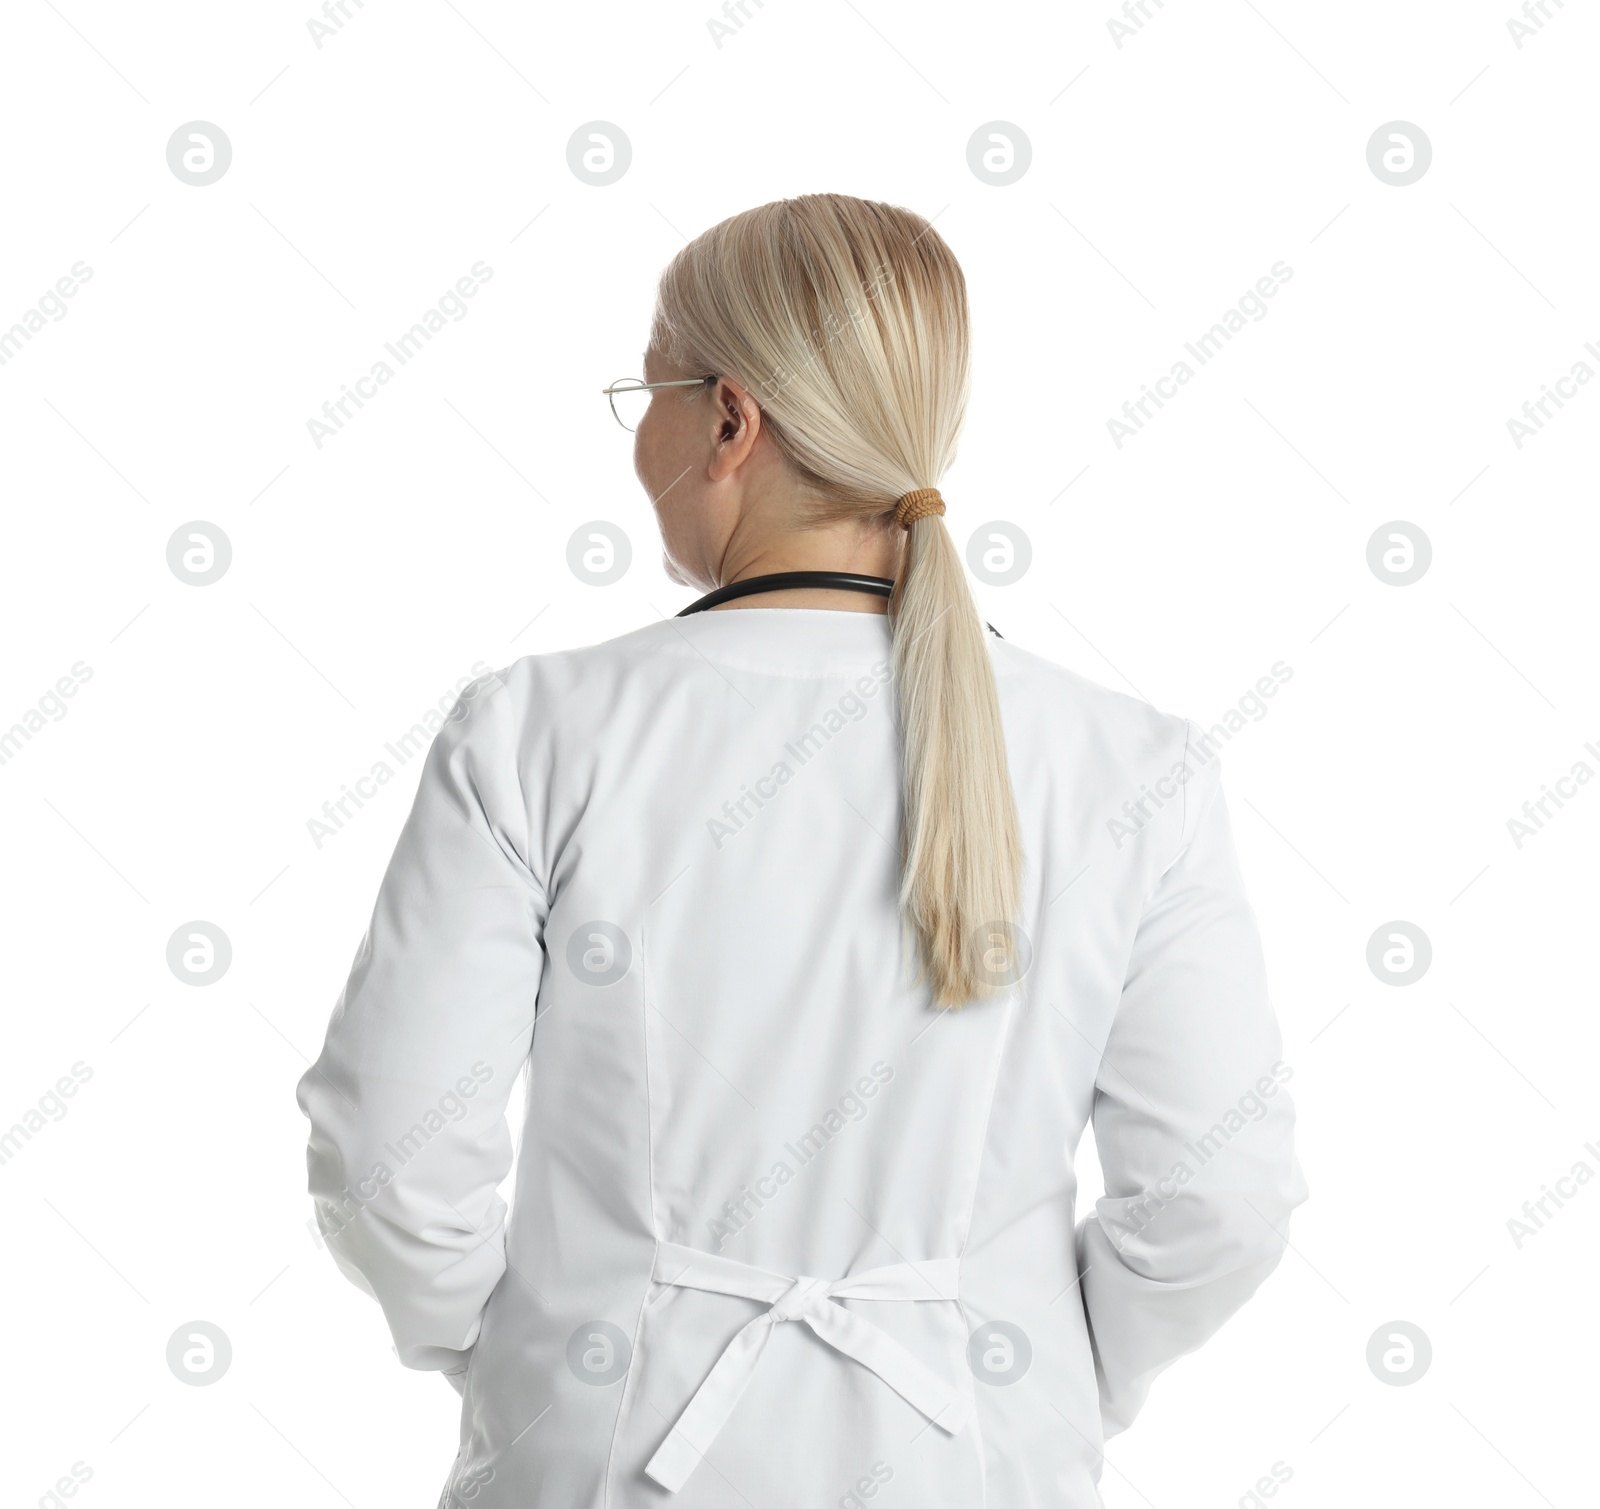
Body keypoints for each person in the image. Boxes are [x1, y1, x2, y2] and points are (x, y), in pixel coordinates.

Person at [296, 192, 1308, 1508]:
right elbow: (1219, 1195)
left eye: (646, 391)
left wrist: (512, 1356)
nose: (639, 432)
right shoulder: (1134, 764)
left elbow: (390, 1151)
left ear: (727, 419)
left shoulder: (538, 729)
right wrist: (1036, 1372)